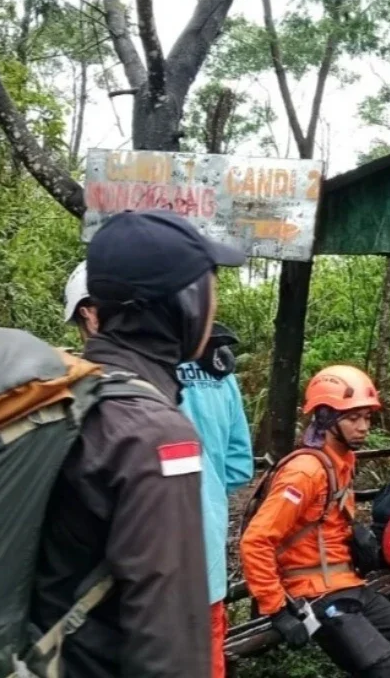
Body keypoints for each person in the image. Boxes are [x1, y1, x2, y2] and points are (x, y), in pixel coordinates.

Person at [33, 209, 245, 677]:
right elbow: (166, 647)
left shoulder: (69, 393)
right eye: (209, 286)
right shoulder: (154, 434)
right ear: (184, 304)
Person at [240, 365, 390, 678]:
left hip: (347, 585)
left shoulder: (342, 461)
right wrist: (276, 608)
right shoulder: (305, 472)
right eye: (352, 418)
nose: (363, 427)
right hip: (314, 593)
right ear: (325, 418)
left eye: (367, 417)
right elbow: (256, 541)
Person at [176, 323, 255, 677]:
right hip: (205, 549)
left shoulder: (136, 368)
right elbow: (240, 465)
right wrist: (208, 490)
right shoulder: (221, 368)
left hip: (143, 558)